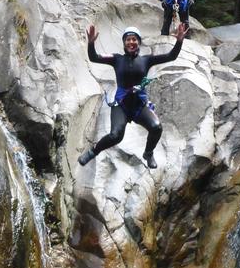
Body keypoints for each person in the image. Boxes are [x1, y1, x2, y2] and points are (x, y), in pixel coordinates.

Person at [78, 23, 187, 169]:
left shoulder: (146, 60)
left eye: (134, 39)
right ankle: (93, 151)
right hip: (121, 104)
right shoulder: (116, 59)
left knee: (156, 127)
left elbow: (171, 56)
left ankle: (148, 153)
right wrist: (91, 44)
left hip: (139, 104)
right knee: (115, 136)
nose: (131, 42)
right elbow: (94, 57)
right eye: (128, 39)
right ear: (124, 42)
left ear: (139, 42)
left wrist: (179, 41)